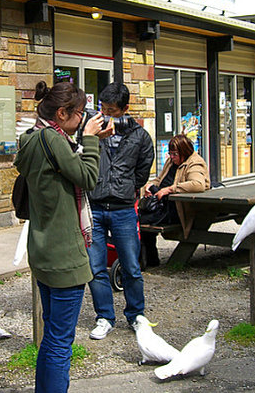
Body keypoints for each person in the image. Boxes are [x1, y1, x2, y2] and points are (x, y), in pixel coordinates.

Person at [13, 81, 103, 393]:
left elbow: (64, 169)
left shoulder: (33, 138)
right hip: (64, 255)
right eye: (79, 113)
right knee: (60, 341)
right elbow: (88, 177)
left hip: (43, 250)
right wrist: (90, 140)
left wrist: (83, 140)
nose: (82, 119)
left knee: (51, 336)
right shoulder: (53, 139)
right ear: (62, 113)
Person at [84, 82, 154, 340]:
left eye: (112, 110)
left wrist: (125, 186)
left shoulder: (140, 136)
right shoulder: (91, 130)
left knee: (131, 266)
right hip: (95, 206)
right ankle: (104, 317)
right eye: (103, 109)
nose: (105, 114)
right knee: (95, 267)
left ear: (125, 109)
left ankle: (136, 315)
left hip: (123, 208)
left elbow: (143, 170)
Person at [140, 134, 210, 266]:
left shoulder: (195, 163)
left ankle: (148, 260)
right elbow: (160, 179)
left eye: (175, 154)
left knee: (142, 222)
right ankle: (149, 259)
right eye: (170, 153)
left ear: (184, 152)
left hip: (178, 209)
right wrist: (149, 186)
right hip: (161, 205)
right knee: (138, 219)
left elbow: (198, 184)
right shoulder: (171, 162)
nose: (171, 157)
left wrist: (170, 189)